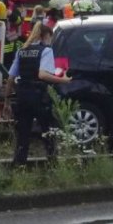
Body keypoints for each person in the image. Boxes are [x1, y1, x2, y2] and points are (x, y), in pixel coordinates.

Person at [8, 23, 71, 166]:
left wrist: (7, 100)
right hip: (39, 96)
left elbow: (11, 78)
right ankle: (53, 162)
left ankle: (19, 164)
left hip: (22, 96)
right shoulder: (46, 51)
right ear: (46, 36)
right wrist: (63, 80)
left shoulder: (21, 51)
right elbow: (42, 75)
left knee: (23, 133)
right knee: (48, 131)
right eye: (51, 37)